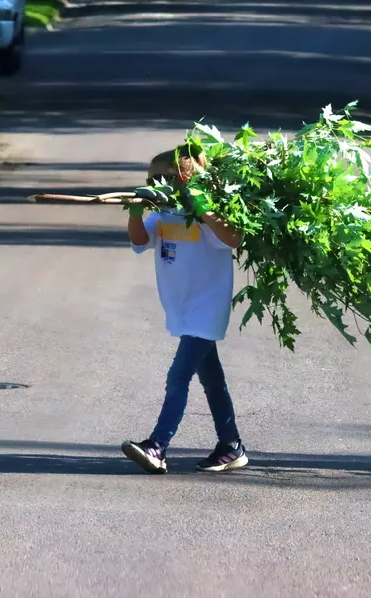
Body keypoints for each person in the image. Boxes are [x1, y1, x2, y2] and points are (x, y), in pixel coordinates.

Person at [120, 144, 249, 474]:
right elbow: (139, 241)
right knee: (212, 379)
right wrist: (136, 211)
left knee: (178, 376)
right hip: (181, 308)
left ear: (186, 179)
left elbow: (233, 238)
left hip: (207, 308)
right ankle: (230, 445)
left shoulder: (208, 215)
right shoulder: (163, 215)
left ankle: (158, 445)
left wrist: (203, 207)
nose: (155, 186)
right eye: (150, 180)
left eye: (163, 179)